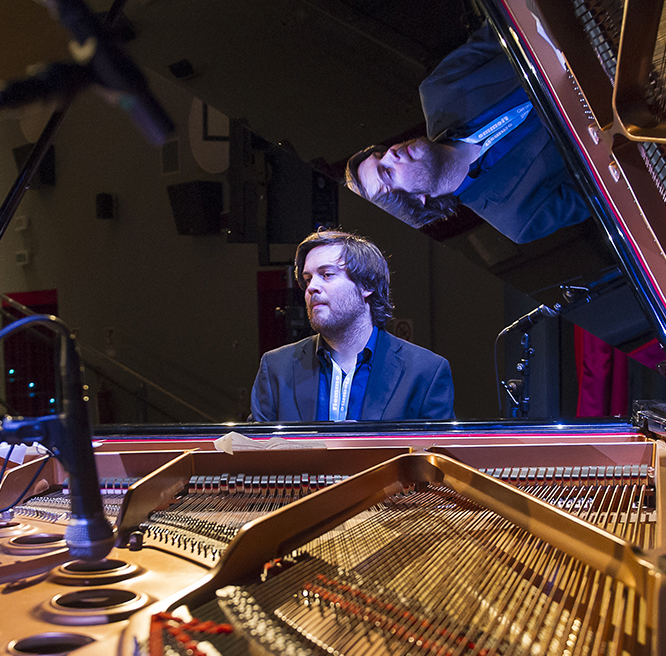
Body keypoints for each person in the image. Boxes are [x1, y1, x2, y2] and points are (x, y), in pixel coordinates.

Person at [345, 24, 591, 244]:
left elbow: (510, 22)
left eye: (379, 154)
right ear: (418, 201)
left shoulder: (438, 90)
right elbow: (618, 182)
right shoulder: (518, 218)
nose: (390, 153)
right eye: (387, 172)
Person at [250, 229, 454, 422]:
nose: (312, 287)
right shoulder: (277, 367)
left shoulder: (425, 371)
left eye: (327, 274)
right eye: (307, 278)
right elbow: (255, 454)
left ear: (366, 285)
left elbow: (436, 457)